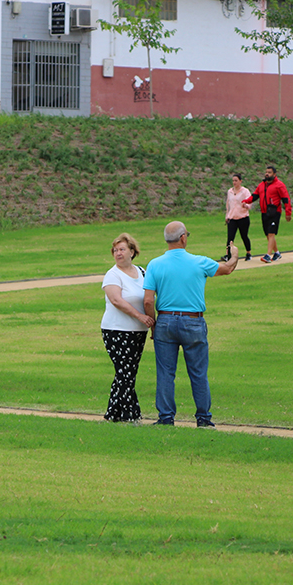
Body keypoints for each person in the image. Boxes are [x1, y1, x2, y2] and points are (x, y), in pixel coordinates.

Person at [143, 222, 239, 427]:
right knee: (197, 372)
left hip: (166, 320)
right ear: (183, 238)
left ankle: (166, 417)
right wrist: (235, 255)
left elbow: (148, 300)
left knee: (166, 372)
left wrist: (153, 326)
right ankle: (203, 418)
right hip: (193, 320)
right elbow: (228, 269)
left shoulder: (154, 264)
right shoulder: (199, 262)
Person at [100, 233, 155, 423]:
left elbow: (150, 296)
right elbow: (116, 300)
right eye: (115, 250)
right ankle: (130, 415)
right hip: (116, 330)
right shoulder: (112, 274)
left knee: (128, 372)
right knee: (125, 372)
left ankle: (114, 415)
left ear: (132, 251)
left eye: (122, 249)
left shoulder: (142, 271)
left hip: (138, 331)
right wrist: (140, 316)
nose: (118, 253)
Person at [244, 165, 292, 264]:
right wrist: (245, 201)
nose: (267, 174)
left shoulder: (279, 185)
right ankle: (277, 253)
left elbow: (286, 199)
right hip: (264, 212)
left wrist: (288, 212)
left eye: (269, 172)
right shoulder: (262, 185)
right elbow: (255, 195)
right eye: (266, 172)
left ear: (274, 174)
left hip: (274, 212)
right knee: (268, 235)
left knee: (271, 233)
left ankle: (268, 255)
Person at [223, 172, 253, 262]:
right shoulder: (230, 191)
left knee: (244, 236)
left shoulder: (245, 191)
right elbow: (228, 204)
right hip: (232, 218)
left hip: (243, 217)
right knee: (230, 237)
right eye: (233, 181)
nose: (234, 182)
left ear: (240, 181)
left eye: (236, 180)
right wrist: (227, 215)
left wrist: (246, 206)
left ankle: (248, 253)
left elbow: (249, 201)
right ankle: (228, 255)